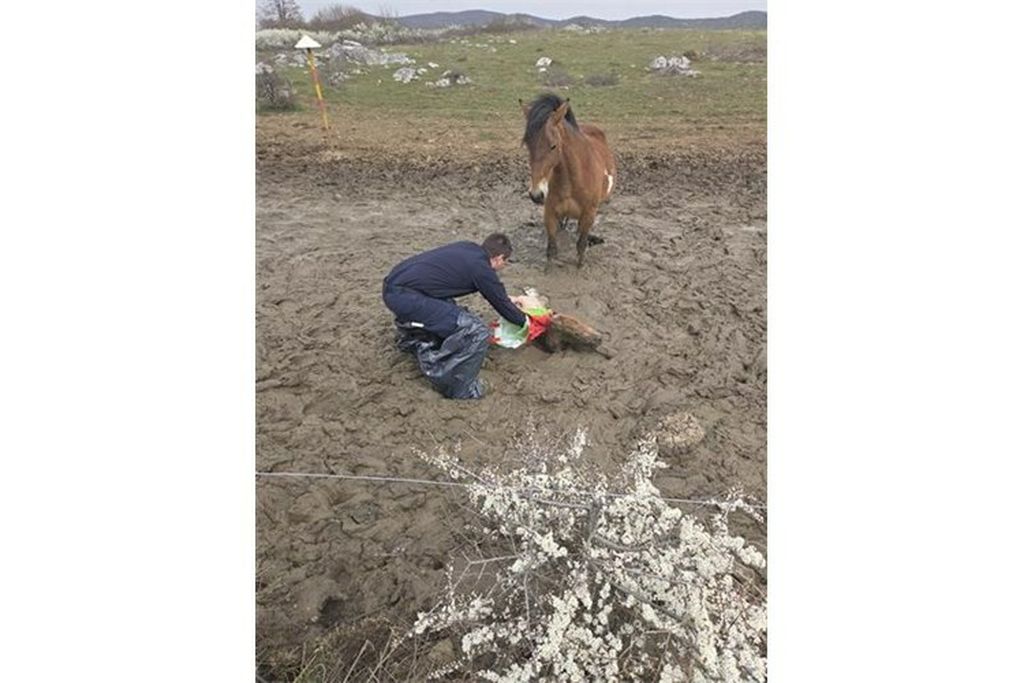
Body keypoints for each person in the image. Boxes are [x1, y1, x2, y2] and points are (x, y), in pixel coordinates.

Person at [382, 233, 550, 399]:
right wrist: (528, 323)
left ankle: (412, 340)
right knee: (476, 331)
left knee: (451, 311)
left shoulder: (468, 248)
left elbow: (497, 294)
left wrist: (508, 300)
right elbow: (500, 304)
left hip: (395, 285)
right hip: (405, 297)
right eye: (505, 262)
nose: (503, 266)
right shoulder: (482, 269)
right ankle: (459, 388)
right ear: (499, 258)